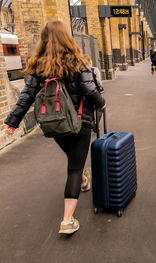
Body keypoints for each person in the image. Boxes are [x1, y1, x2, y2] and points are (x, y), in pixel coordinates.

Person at [4, 21, 106, 235]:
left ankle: (83, 181)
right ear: (67, 38)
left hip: (52, 125)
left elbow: (26, 96)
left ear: (43, 41)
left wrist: (12, 122)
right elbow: (89, 90)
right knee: (75, 168)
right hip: (80, 122)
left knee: (74, 161)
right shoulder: (79, 62)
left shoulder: (38, 67)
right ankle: (67, 220)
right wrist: (101, 102)